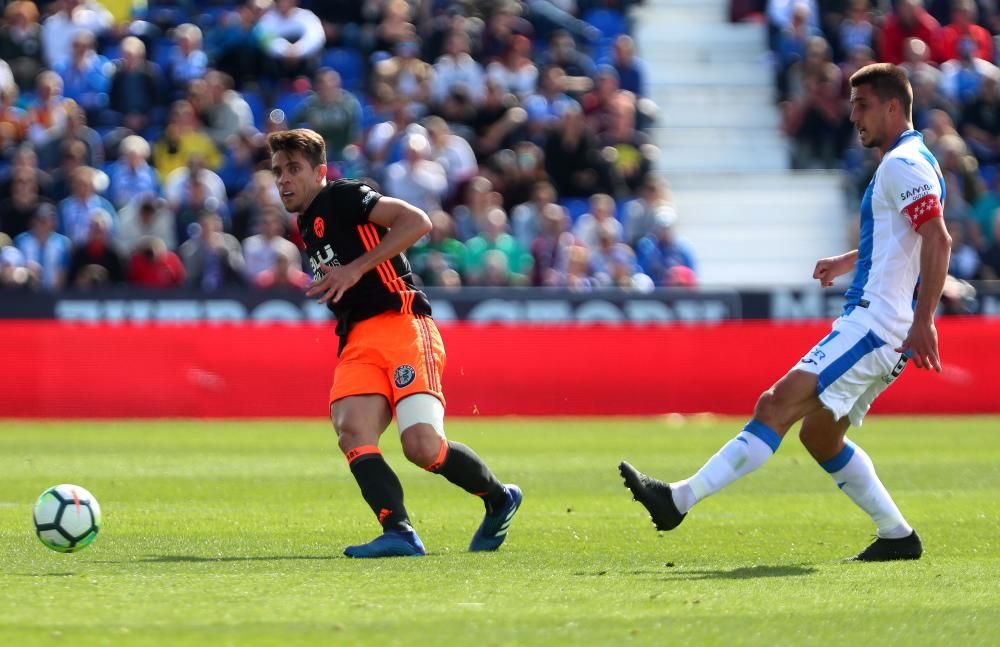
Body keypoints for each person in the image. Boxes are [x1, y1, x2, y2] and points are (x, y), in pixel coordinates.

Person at [620, 63, 953, 562]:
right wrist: (850, 259)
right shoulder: (915, 159)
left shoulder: (901, 165)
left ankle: (677, 500)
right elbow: (904, 236)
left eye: (862, 106)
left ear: (891, 106)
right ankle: (897, 535)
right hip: (884, 327)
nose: (853, 117)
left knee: (775, 405)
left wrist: (925, 319)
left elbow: (938, 238)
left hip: (874, 327)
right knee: (820, 436)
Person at [267, 128, 522, 558]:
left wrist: (355, 268)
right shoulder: (307, 223)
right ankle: (399, 531)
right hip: (358, 339)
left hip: (402, 324)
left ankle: (499, 498)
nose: (284, 179)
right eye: (278, 171)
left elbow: (417, 221)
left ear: (320, 171)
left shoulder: (344, 195)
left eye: (294, 169)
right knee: (352, 431)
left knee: (421, 447)